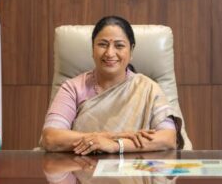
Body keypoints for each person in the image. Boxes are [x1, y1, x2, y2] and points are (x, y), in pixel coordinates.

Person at [40, 16, 183, 154]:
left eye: (119, 45)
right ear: (92, 49)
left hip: (133, 168)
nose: (109, 53)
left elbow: (168, 138)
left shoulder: (148, 88)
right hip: (82, 167)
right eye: (102, 44)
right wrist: (109, 136)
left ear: (131, 50)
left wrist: (116, 145)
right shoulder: (72, 88)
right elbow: (50, 138)